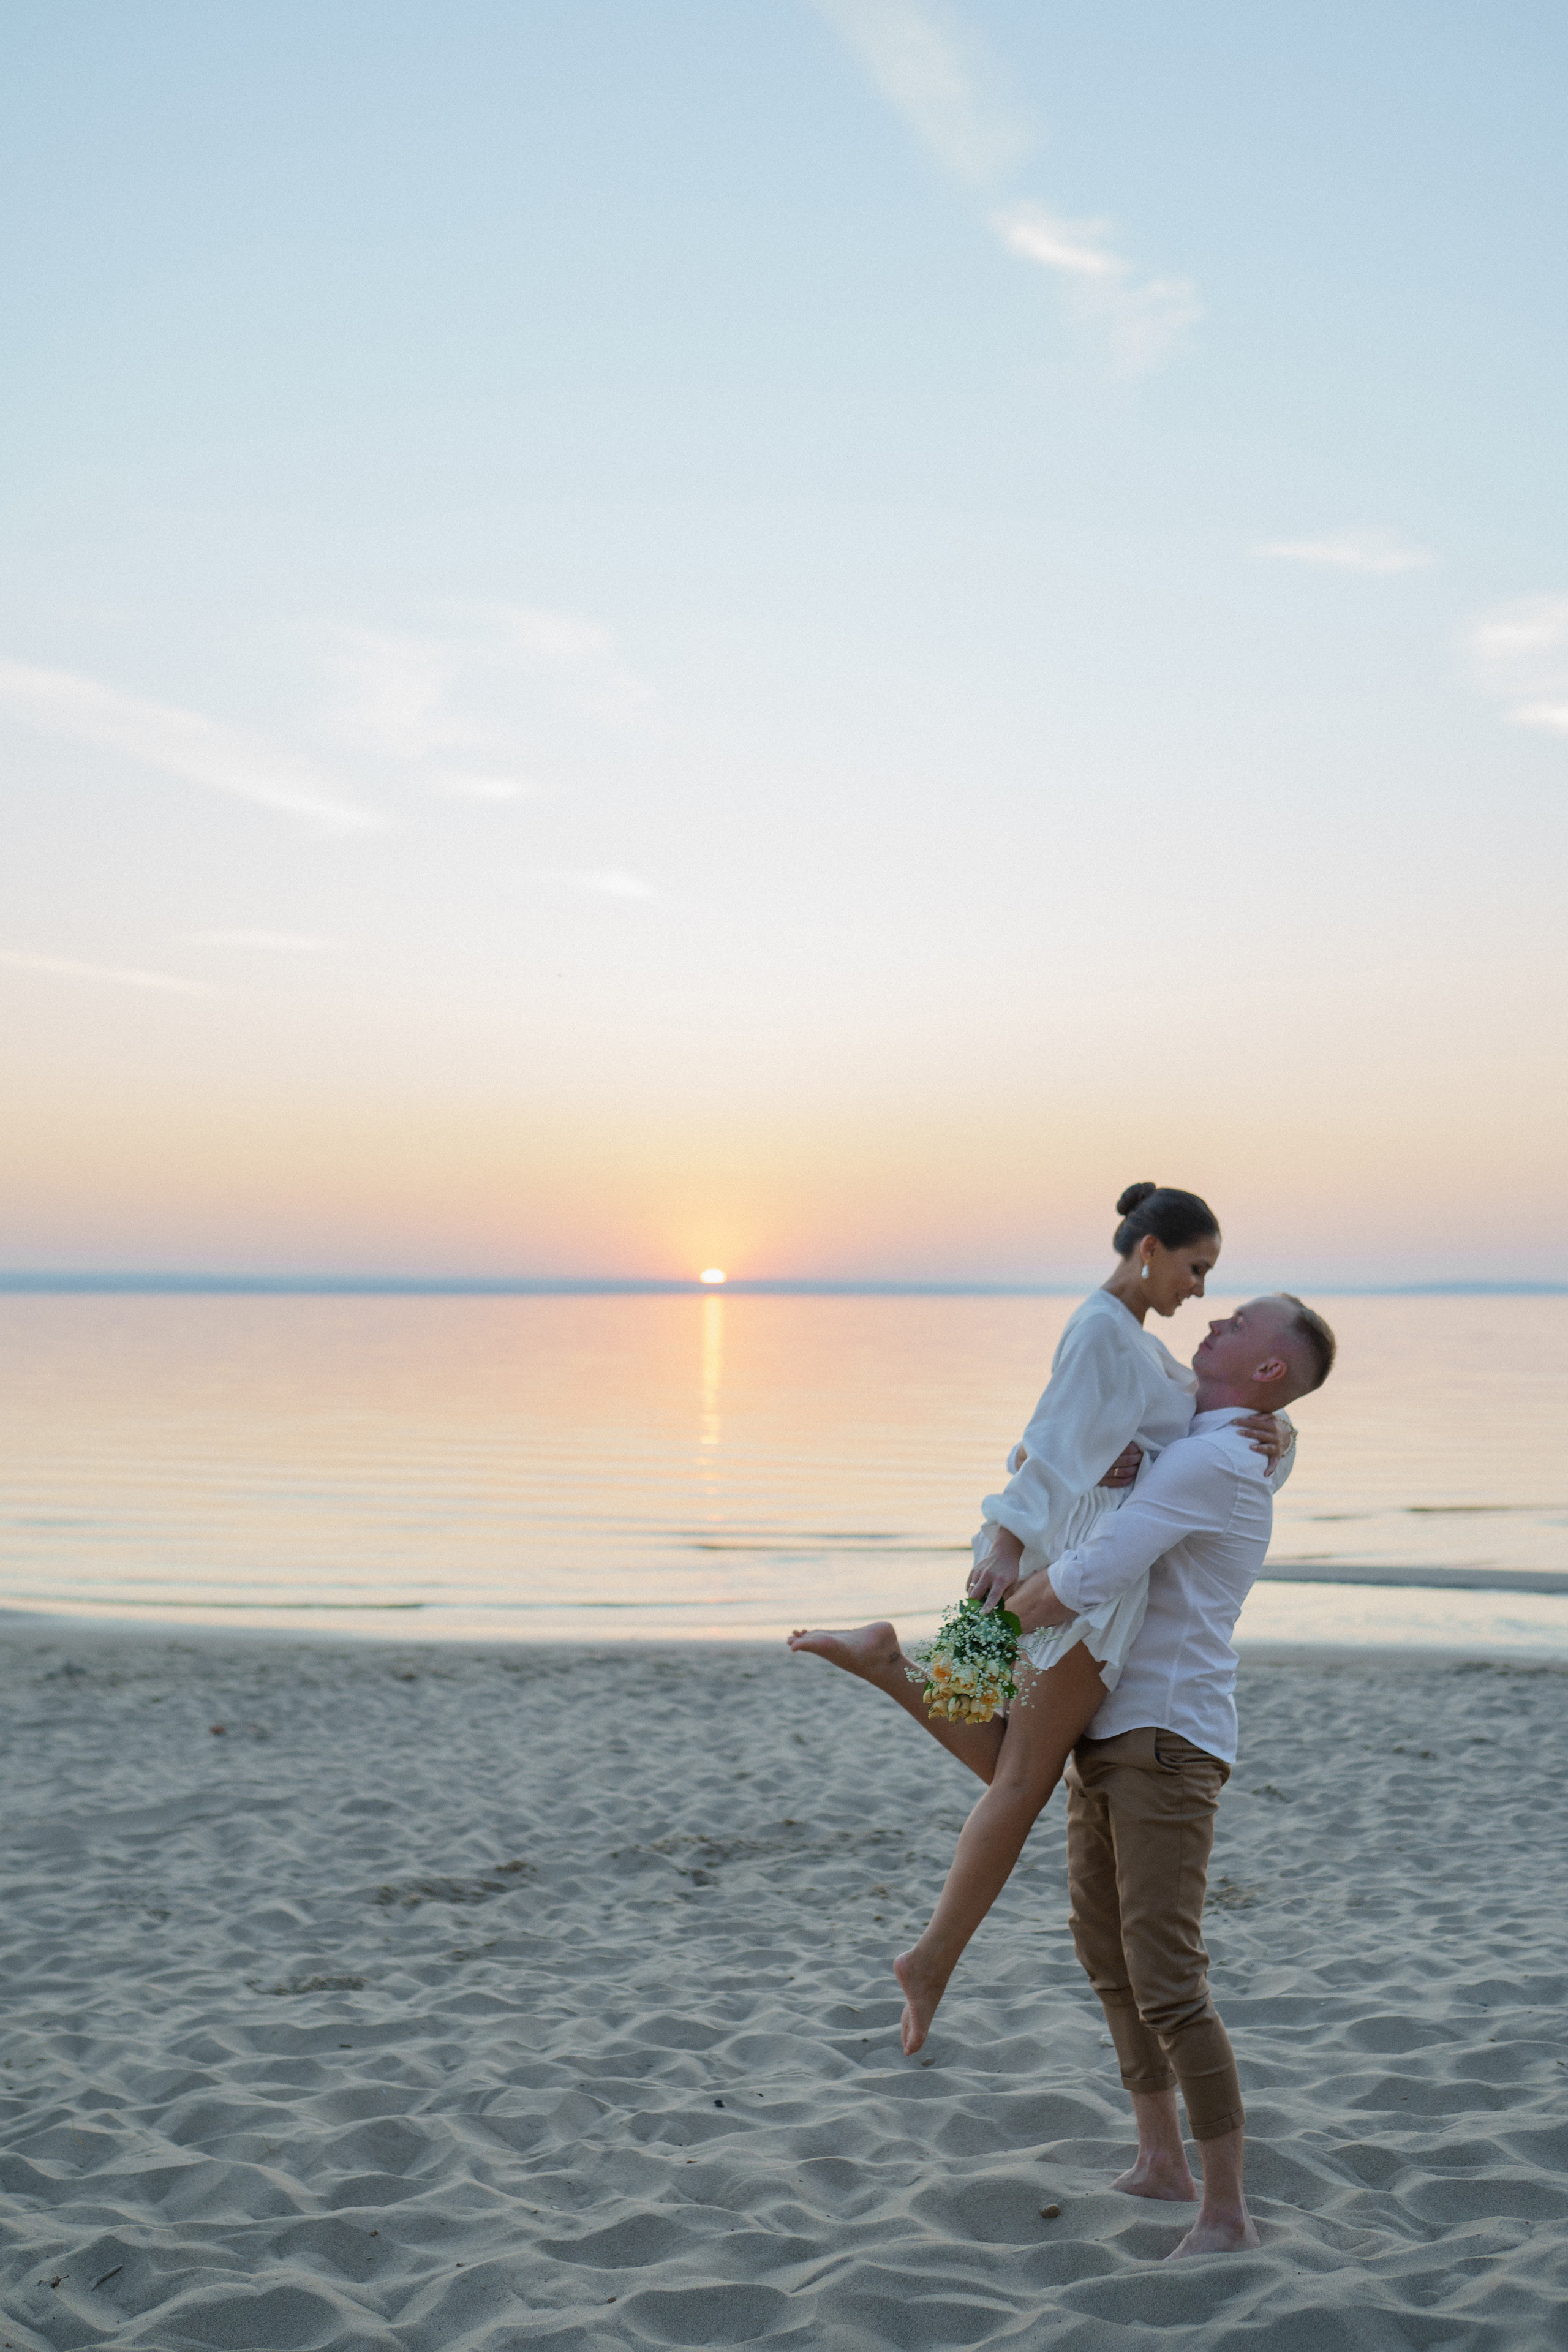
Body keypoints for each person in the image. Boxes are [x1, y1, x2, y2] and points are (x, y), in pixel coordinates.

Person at [788, 1185, 1295, 2046]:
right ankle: (929, 1961)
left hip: (1053, 1552)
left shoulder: (1130, 1341)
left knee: (998, 1748)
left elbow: (1194, 1428)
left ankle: (884, 1661)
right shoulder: (1104, 1329)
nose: (1201, 1291)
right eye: (1196, 1267)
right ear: (1150, 1251)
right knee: (1021, 1782)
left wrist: (1277, 1433)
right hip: (1073, 1568)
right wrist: (1007, 1541)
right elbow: (1051, 1442)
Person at [1006, 1291, 1337, 2257]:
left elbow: (1093, 1570)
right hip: (1110, 1726)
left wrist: (970, 1646)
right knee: (1106, 1958)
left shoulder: (1215, 1458)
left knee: (1168, 1981)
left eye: (1238, 1323)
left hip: (1166, 1739)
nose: (1214, 1321)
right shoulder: (1223, 1440)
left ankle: (1226, 2209)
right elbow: (1087, 1434)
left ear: (1269, 1371)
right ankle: (1160, 2162)